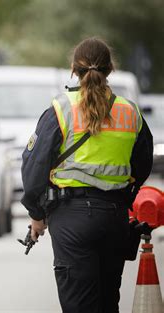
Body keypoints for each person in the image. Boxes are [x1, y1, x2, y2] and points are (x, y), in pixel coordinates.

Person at [21, 37, 153, 313]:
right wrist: (124, 196)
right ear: (110, 70)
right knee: (107, 303)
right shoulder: (130, 112)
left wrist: (36, 214)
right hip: (114, 217)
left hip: (72, 220)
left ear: (74, 69)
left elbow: (34, 167)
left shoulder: (61, 109)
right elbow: (142, 164)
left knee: (79, 305)